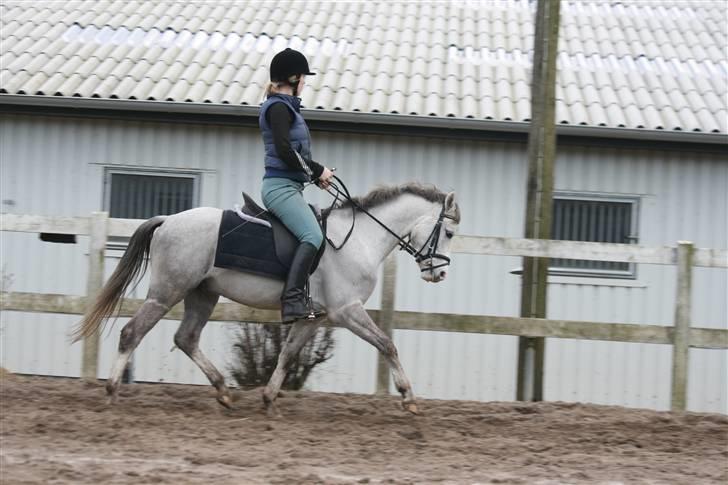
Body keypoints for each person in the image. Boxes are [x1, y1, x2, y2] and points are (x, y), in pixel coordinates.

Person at [258, 48, 334, 323]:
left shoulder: (285, 107)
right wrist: (317, 170)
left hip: (290, 186)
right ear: (293, 78)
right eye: (303, 77)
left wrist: (317, 177)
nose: (305, 82)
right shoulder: (279, 107)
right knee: (313, 237)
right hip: (279, 189)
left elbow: (292, 155)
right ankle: (291, 302)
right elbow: (284, 151)